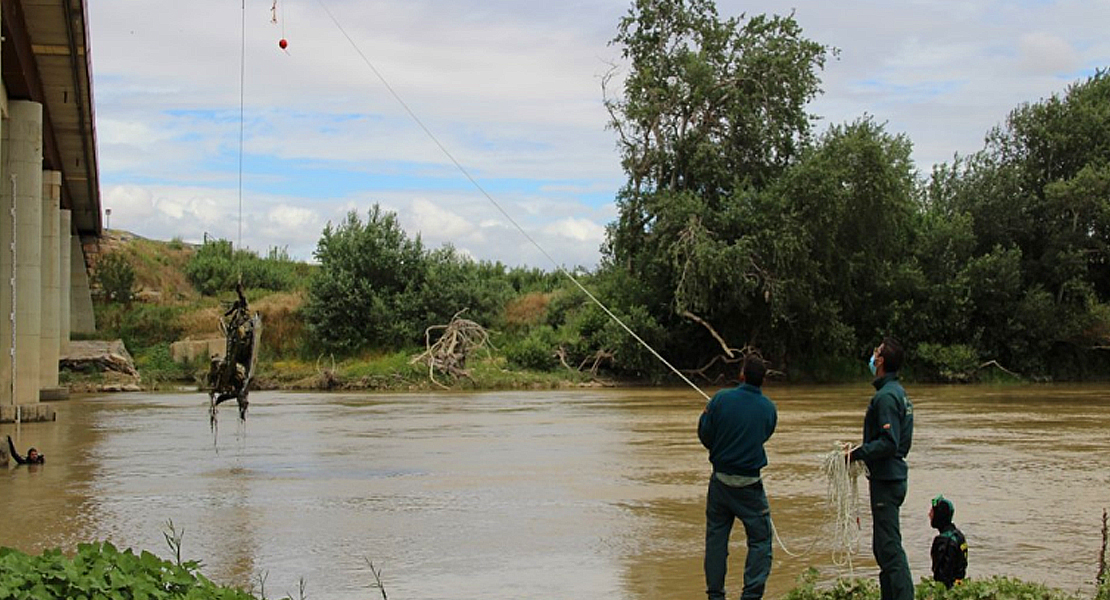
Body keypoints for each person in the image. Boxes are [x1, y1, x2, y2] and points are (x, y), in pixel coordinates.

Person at [698, 354, 778, 600]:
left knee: (716, 540)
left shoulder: (720, 399)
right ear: (762, 380)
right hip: (749, 486)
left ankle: (715, 595)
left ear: (742, 375)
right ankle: (751, 595)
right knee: (760, 541)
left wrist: (708, 416)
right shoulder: (768, 408)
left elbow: (704, 435)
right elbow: (764, 435)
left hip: (720, 483)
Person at [848, 336, 914, 600]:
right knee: (882, 547)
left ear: (882, 360)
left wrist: (854, 454)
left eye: (876, 352)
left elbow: (888, 443)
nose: (872, 356)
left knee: (889, 549)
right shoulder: (897, 392)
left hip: (887, 480)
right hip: (890, 478)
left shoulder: (886, 397)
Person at [930, 494, 968, 588]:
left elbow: (942, 576)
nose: (929, 515)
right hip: (959, 586)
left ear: (939, 515)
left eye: (932, 512)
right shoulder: (959, 535)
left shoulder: (943, 541)